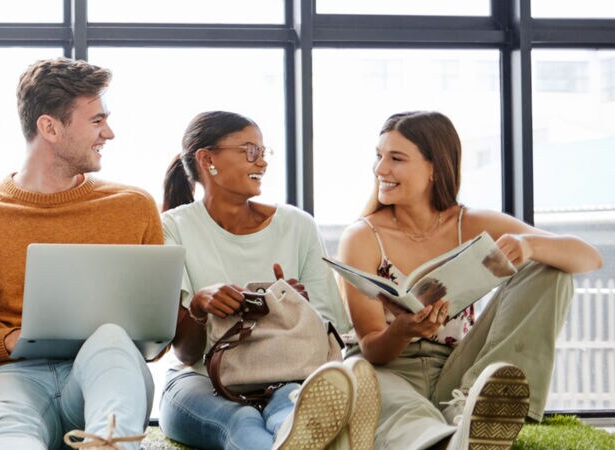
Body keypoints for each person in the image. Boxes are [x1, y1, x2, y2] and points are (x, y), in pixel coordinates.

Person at [335, 111, 603, 449]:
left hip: (457, 372)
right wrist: (403, 330)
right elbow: (373, 349)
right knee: (400, 407)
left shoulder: (470, 223)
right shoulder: (362, 236)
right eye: (379, 156)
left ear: (434, 168)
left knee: (548, 265)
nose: (380, 169)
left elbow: (589, 257)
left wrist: (529, 245)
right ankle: (449, 439)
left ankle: (476, 405)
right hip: (388, 370)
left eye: (396, 158)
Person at [0, 57, 157, 450]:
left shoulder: (133, 206)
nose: (109, 133)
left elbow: (155, 335)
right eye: (97, 121)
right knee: (9, 426)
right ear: (49, 127)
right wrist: (10, 340)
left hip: (105, 373)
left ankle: (110, 444)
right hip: (9, 378)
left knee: (112, 339)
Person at [157, 111, 378, 450]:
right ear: (207, 159)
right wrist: (200, 306)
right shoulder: (172, 228)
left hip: (288, 373)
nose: (262, 162)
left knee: (289, 410)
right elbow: (187, 354)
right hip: (201, 378)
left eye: (263, 152)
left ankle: (329, 429)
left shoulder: (297, 225)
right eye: (249, 151)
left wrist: (295, 308)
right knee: (240, 419)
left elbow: (329, 328)